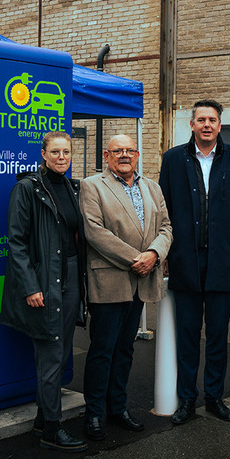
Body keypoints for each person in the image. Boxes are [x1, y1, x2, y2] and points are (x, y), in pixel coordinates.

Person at [159, 99, 230, 425]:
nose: (206, 125)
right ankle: (187, 399)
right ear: (192, 124)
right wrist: (164, 254)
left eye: (212, 120)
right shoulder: (173, 159)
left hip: (223, 262)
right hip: (185, 261)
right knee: (187, 337)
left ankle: (214, 397)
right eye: (200, 119)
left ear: (219, 125)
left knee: (217, 336)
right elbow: (164, 212)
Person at [79, 134, 173, 441]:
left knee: (125, 349)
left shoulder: (152, 187)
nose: (124, 155)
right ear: (106, 156)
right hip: (110, 279)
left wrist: (155, 254)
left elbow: (166, 227)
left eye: (129, 150)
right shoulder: (92, 186)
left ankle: (117, 407)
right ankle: (94, 412)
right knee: (102, 350)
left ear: (137, 155)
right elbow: (94, 231)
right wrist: (137, 258)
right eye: (117, 151)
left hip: (142, 282)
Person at [3, 131, 88, 452]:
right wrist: (30, 286)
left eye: (66, 152)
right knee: (52, 353)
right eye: (55, 152)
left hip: (69, 277)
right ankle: (52, 430)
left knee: (60, 348)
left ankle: (43, 417)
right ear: (43, 154)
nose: (62, 157)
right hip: (44, 281)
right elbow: (17, 243)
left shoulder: (72, 187)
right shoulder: (26, 189)